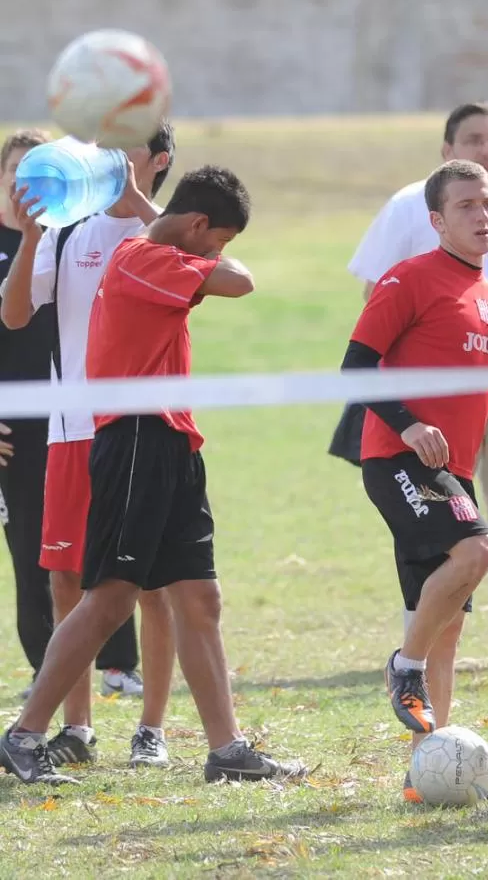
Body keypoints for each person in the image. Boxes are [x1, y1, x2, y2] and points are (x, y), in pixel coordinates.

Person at [0, 165, 306, 786]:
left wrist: (149, 206)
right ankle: (24, 735)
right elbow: (239, 283)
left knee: (199, 597)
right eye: (218, 238)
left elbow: (222, 270)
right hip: (136, 438)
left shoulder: (160, 255)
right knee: (110, 596)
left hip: (171, 441)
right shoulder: (143, 258)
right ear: (197, 225)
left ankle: (226, 751)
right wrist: (154, 212)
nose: (220, 253)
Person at [341, 159, 488, 802]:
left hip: (452, 472)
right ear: (437, 220)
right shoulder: (409, 279)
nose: (483, 216)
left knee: (448, 622)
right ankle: (405, 665)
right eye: (467, 207)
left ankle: (428, 771)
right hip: (397, 459)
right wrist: (408, 424)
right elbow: (355, 366)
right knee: (479, 550)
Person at [0, 123, 177, 768]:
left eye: (123, 147)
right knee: (65, 579)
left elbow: (222, 274)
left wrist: (143, 211)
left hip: (144, 430)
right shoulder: (68, 228)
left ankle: (151, 730)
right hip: (71, 431)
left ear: (156, 160)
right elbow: (16, 315)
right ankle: (78, 728)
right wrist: (29, 238)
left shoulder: (167, 227)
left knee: (156, 585)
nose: (104, 158)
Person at [0, 129, 56, 697]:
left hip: (74, 418)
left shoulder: (68, 239)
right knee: (29, 554)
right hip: (11, 431)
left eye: (38, 174)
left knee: (91, 550)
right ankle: (47, 670)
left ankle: (118, 667)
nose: (25, 185)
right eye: (16, 173)